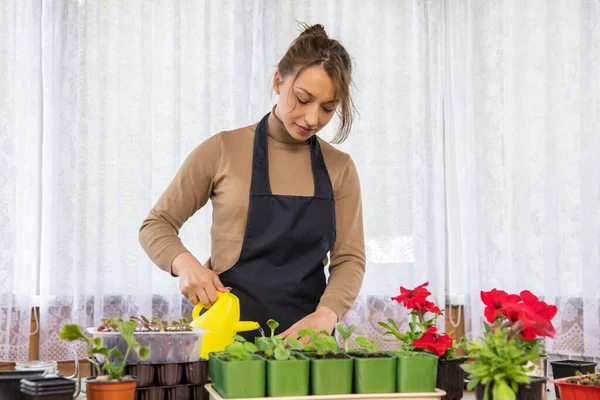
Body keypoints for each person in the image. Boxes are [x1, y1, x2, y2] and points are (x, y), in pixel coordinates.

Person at [139, 23, 365, 343]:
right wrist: (185, 264)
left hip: (306, 343)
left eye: (328, 108)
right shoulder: (223, 149)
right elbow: (156, 224)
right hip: (224, 337)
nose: (313, 118)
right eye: (302, 99)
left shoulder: (340, 168)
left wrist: (326, 315)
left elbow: (350, 259)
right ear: (277, 81)